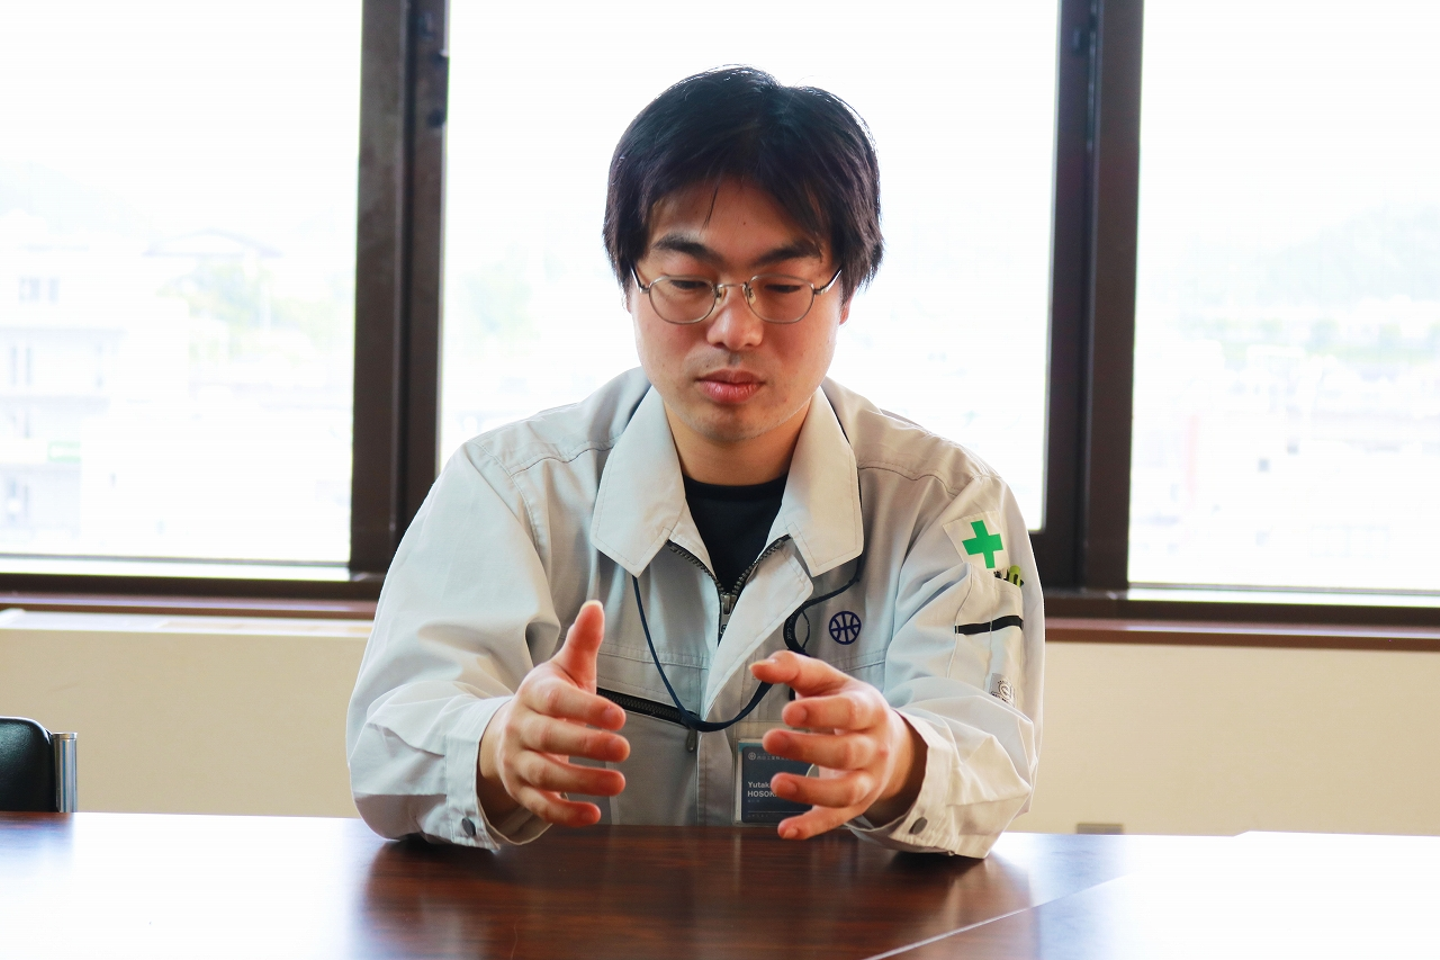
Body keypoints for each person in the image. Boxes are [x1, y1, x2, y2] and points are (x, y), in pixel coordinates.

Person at [346, 66, 1043, 858]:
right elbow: (385, 749)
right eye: (688, 281)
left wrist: (902, 760)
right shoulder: (505, 489)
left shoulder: (957, 508)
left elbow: (994, 756)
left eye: (782, 285)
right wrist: (495, 746)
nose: (734, 329)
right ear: (630, 283)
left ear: (846, 292)